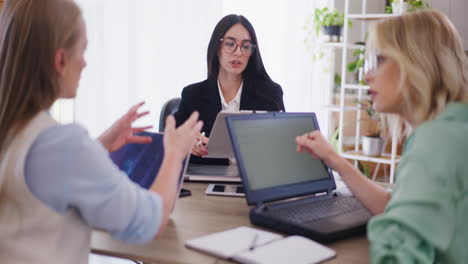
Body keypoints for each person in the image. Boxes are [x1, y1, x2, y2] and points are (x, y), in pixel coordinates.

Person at [0, 0, 202, 263]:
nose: (85, 63)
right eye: (82, 50)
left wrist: (99, 145)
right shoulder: (63, 144)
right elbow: (149, 222)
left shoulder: (16, 130)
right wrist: (174, 153)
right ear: (61, 59)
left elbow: (44, 175)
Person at [296, 9, 468, 263]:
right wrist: (334, 159)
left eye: (380, 60)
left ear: (415, 63)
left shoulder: (436, 141)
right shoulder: (452, 129)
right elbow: (398, 208)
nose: (367, 75)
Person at [174, 14, 285, 164]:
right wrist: (188, 144)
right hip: (205, 182)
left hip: (255, 182)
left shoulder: (270, 94)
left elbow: (281, 147)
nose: (238, 52)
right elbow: (171, 142)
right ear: (217, 47)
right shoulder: (193, 95)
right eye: (230, 44)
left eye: (245, 46)